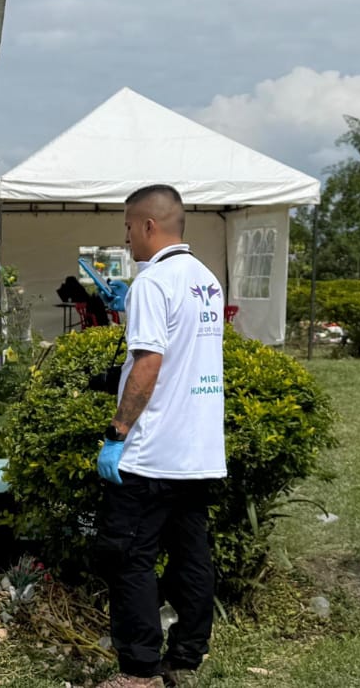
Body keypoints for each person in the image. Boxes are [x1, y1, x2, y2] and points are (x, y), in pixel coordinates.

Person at [94, 184, 227, 688]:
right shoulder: (205, 280)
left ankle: (140, 671)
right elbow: (182, 361)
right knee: (192, 556)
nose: (126, 237)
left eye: (128, 227)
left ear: (149, 226)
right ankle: (186, 659)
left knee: (127, 557)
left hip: (150, 455)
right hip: (198, 453)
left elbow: (150, 363)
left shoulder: (151, 282)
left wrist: (117, 432)